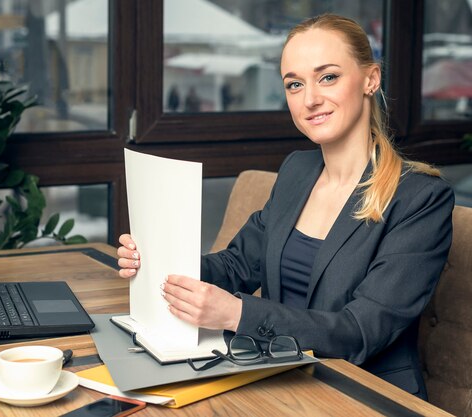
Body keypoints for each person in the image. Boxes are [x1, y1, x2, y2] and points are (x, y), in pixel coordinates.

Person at [117, 14, 454, 400]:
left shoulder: (421, 198)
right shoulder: (298, 169)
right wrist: (157, 262)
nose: (310, 99)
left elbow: (360, 331)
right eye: (295, 84)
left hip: (366, 395)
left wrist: (235, 314)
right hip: (281, 380)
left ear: (370, 79)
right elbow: (239, 265)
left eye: (328, 77)